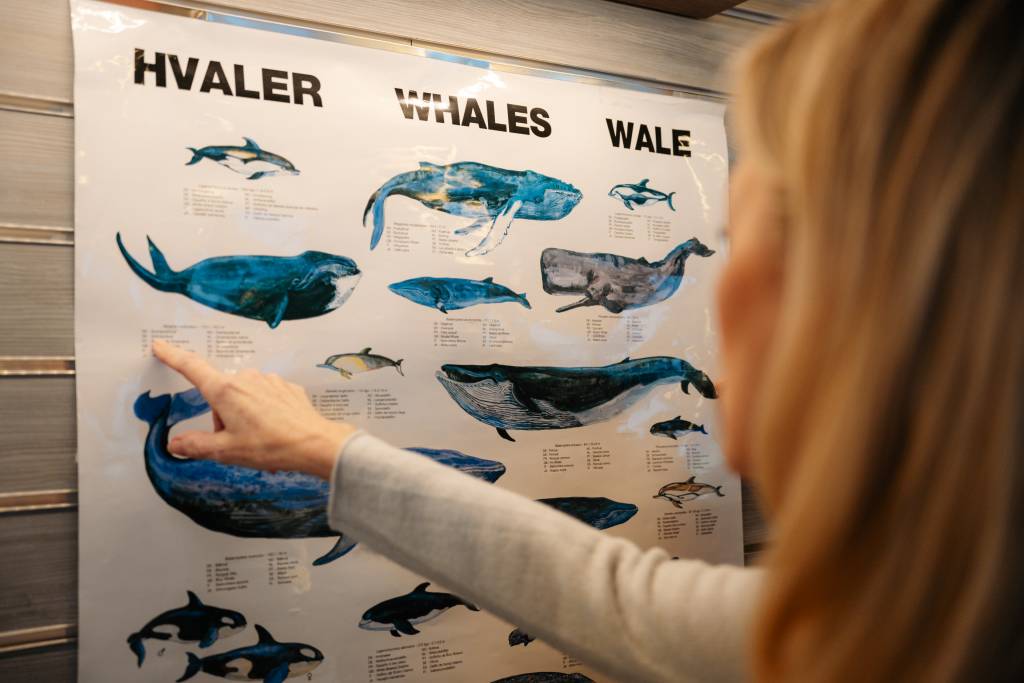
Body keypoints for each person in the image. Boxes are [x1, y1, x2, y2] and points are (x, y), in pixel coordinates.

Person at [151, 0, 1023, 680]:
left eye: (742, 247)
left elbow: (616, 602)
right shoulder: (873, 637)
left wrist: (330, 453)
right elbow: (613, 597)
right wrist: (327, 451)